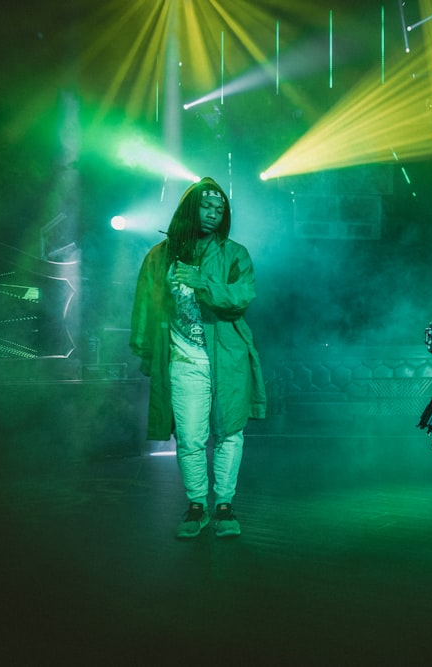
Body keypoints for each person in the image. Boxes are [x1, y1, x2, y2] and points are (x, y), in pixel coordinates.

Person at [130, 177, 266, 540]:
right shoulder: (160, 256)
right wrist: (147, 351)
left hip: (228, 359)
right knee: (190, 437)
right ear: (191, 207)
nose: (213, 214)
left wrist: (201, 281)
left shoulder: (235, 254)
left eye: (219, 209)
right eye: (206, 206)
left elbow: (241, 298)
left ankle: (224, 505)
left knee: (230, 433)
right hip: (184, 361)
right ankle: (196, 505)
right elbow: (145, 302)